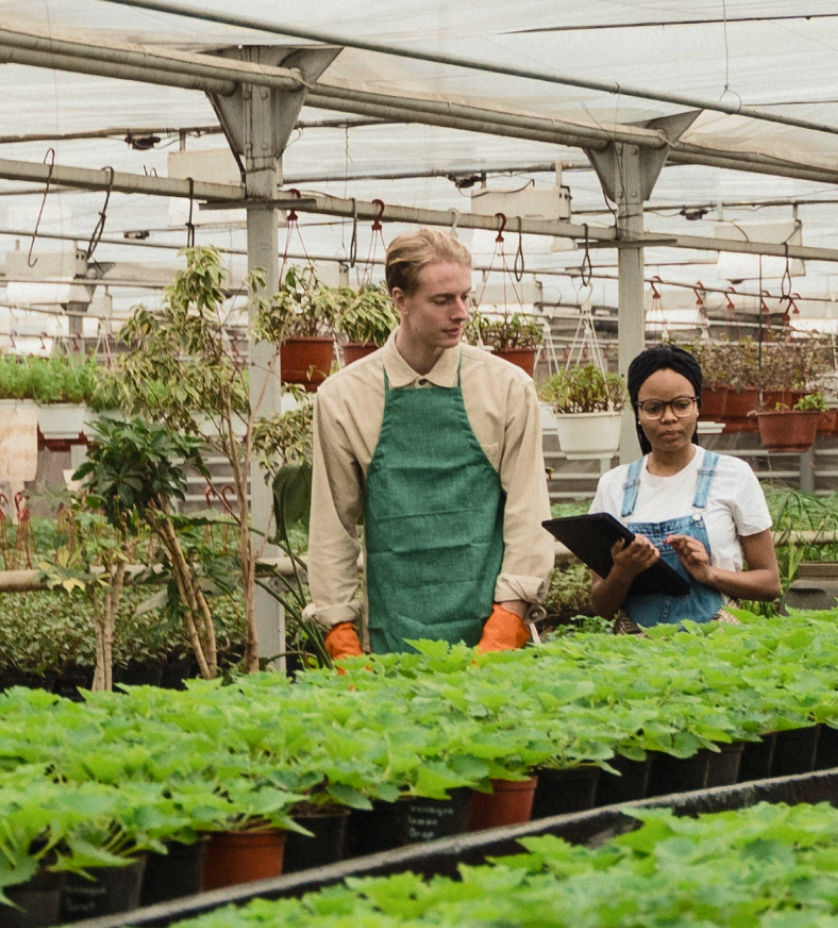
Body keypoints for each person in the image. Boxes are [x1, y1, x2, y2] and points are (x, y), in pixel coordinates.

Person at [306, 227, 552, 658]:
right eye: (442, 300)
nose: (461, 313)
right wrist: (340, 635)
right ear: (400, 299)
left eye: (465, 297)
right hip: (391, 635)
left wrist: (507, 623)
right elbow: (332, 527)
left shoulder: (507, 388)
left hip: (492, 634)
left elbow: (529, 514)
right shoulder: (344, 398)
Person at [589, 344, 780, 628]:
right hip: (636, 648)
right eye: (653, 408)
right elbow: (601, 607)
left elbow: (770, 583)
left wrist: (709, 574)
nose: (668, 417)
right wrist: (622, 572)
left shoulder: (733, 475)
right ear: (637, 413)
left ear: (697, 406)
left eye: (681, 405)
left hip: (718, 644)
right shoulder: (614, 485)